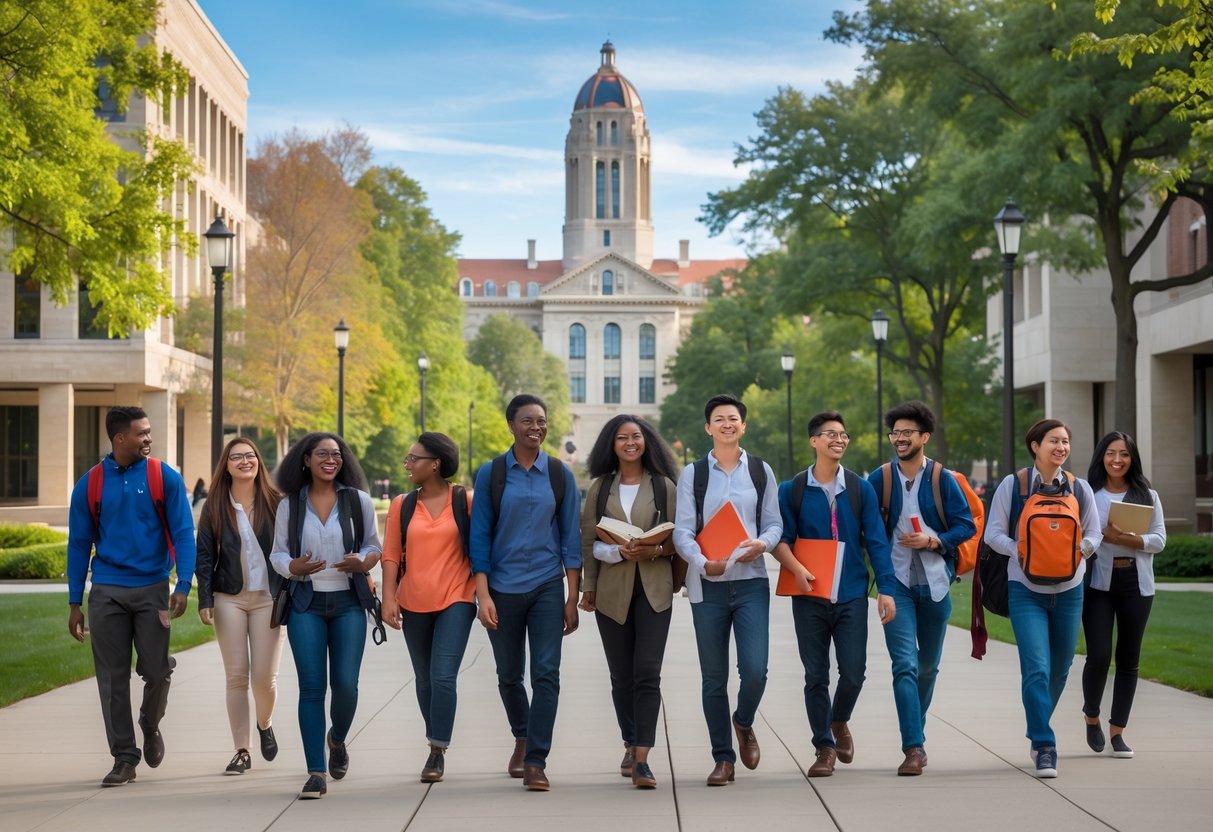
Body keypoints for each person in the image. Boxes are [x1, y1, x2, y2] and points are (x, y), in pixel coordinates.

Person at [66, 406, 197, 787]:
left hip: (153, 587)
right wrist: (75, 601)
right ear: (119, 438)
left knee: (156, 670)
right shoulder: (90, 484)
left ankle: (150, 722)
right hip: (106, 589)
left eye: (149, 431)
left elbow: (184, 532)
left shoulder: (163, 477)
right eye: (141, 433)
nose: (148, 439)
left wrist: (183, 584)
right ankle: (124, 756)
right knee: (111, 678)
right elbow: (78, 545)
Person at [771, 410, 896, 778]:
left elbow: (876, 542)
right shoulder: (791, 490)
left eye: (843, 434)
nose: (839, 439)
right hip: (808, 595)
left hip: (852, 595)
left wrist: (886, 589)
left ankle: (839, 720)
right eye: (830, 434)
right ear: (814, 441)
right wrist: (796, 569)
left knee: (854, 673)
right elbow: (782, 540)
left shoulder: (860, 489)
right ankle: (824, 747)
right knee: (815, 675)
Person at [469, 394, 581, 792]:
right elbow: (478, 537)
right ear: (511, 425)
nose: (537, 427)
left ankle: (536, 760)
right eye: (528, 421)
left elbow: (571, 537)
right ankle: (522, 733)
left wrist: (572, 595)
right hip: (501, 587)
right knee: (509, 675)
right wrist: (483, 595)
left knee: (547, 674)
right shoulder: (493, 473)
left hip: (547, 586)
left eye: (542, 421)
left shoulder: (558, 474)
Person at [672, 393, 782, 787]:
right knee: (713, 678)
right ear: (708, 427)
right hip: (709, 586)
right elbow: (682, 531)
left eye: (733, 418)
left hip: (751, 581)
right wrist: (703, 564)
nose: (726, 424)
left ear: (743, 426)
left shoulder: (760, 470)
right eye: (719, 419)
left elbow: (774, 523)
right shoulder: (694, 475)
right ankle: (723, 757)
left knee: (755, 670)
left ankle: (744, 720)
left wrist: (763, 544)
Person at [984, 418, 1100, 779]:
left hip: (1069, 589)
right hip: (1025, 589)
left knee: (1061, 667)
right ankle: (1045, 745)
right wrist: (1021, 551)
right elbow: (992, 534)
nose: (1061, 447)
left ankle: (1036, 725)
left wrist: (1080, 549)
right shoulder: (1014, 485)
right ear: (1035, 445)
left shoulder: (1079, 489)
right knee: (1036, 667)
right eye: (1054, 441)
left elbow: (1095, 531)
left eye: (1065, 441)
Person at [269, 433, 381, 799]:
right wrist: (293, 566)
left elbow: (373, 546)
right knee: (312, 688)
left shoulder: (358, 501)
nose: (330, 459)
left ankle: (337, 738)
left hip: (348, 601)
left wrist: (362, 561)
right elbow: (277, 555)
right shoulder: (291, 505)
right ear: (305, 460)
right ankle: (315, 771)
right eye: (322, 454)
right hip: (306, 604)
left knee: (346, 684)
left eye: (336, 454)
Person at [867, 401, 975, 775]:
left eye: (906, 432)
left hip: (935, 585)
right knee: (905, 666)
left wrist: (932, 542)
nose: (899, 438)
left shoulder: (943, 479)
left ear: (924, 437)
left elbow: (966, 526)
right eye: (895, 432)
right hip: (895, 585)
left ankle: (916, 727)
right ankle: (913, 747)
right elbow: (867, 530)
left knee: (928, 668)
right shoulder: (878, 479)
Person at [578, 415, 680, 789]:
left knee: (647, 672)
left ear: (647, 441)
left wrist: (652, 549)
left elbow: (678, 538)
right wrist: (596, 579)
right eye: (622, 438)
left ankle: (642, 759)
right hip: (611, 591)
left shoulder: (665, 485)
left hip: (654, 589)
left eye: (636, 436)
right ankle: (629, 739)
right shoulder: (600, 488)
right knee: (621, 675)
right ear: (612, 444)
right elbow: (589, 542)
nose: (630, 443)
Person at [381, 432, 476, 783]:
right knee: (424, 680)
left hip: (457, 597)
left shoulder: (465, 500)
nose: (407, 463)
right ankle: (435, 736)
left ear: (435, 463)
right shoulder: (401, 505)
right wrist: (388, 597)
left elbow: (480, 546)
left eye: (413, 458)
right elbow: (391, 554)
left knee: (442, 676)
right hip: (414, 600)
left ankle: (436, 750)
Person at [195, 438, 285, 776]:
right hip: (229, 596)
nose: (244, 461)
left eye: (250, 456)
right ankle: (242, 750)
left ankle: (265, 723)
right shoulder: (215, 505)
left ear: (258, 462)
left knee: (264, 679)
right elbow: (204, 556)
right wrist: (205, 599)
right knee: (236, 677)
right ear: (227, 465)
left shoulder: (276, 503)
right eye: (237, 457)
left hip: (269, 600)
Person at [1081, 431, 1166, 759]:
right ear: (1101, 456)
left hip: (1137, 585)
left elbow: (1159, 540)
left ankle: (1118, 732)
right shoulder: (1088, 494)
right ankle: (1091, 716)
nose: (1117, 460)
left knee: (1129, 660)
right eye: (1111, 453)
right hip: (1099, 584)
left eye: (1125, 454)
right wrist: (1104, 537)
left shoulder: (1149, 496)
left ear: (1133, 459)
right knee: (1099, 655)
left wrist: (1124, 538)